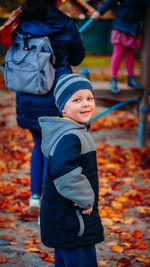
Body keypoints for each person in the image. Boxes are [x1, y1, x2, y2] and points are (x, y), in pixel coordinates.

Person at [14, 0, 85, 213]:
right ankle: (47, 204)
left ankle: (35, 196)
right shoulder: (65, 23)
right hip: (57, 94)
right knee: (53, 148)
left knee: (39, 144)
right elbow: (78, 56)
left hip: (29, 91)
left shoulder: (21, 21)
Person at [38, 74, 104, 267]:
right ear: (63, 108)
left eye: (89, 98)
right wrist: (85, 198)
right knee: (80, 259)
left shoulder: (71, 130)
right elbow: (64, 170)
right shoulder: (70, 135)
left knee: (66, 258)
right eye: (77, 100)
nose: (85, 104)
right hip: (73, 219)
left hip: (66, 219)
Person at [91, 0, 146, 94]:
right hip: (121, 24)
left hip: (134, 26)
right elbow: (110, 2)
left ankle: (131, 79)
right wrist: (99, 12)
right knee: (118, 52)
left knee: (130, 53)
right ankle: (113, 80)